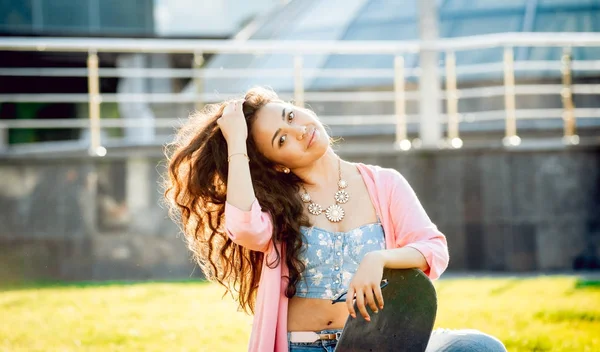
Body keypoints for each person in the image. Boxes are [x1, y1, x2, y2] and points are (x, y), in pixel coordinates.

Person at [164, 87, 506, 352]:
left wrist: (380, 258)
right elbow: (244, 227)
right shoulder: (278, 205)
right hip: (302, 346)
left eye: (291, 115)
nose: (299, 130)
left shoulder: (383, 183)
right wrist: (236, 143)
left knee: (478, 347)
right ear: (275, 164)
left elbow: (433, 249)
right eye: (281, 139)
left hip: (380, 343)